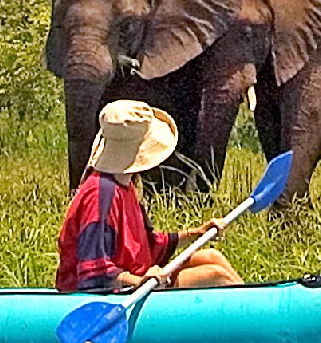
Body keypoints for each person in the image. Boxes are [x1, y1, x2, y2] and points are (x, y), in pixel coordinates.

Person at [56, 100, 244, 293]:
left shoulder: (126, 184)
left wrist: (196, 233)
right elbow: (94, 273)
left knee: (211, 257)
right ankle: (261, 320)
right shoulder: (100, 195)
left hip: (139, 277)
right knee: (215, 275)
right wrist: (138, 281)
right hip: (110, 291)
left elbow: (148, 246)